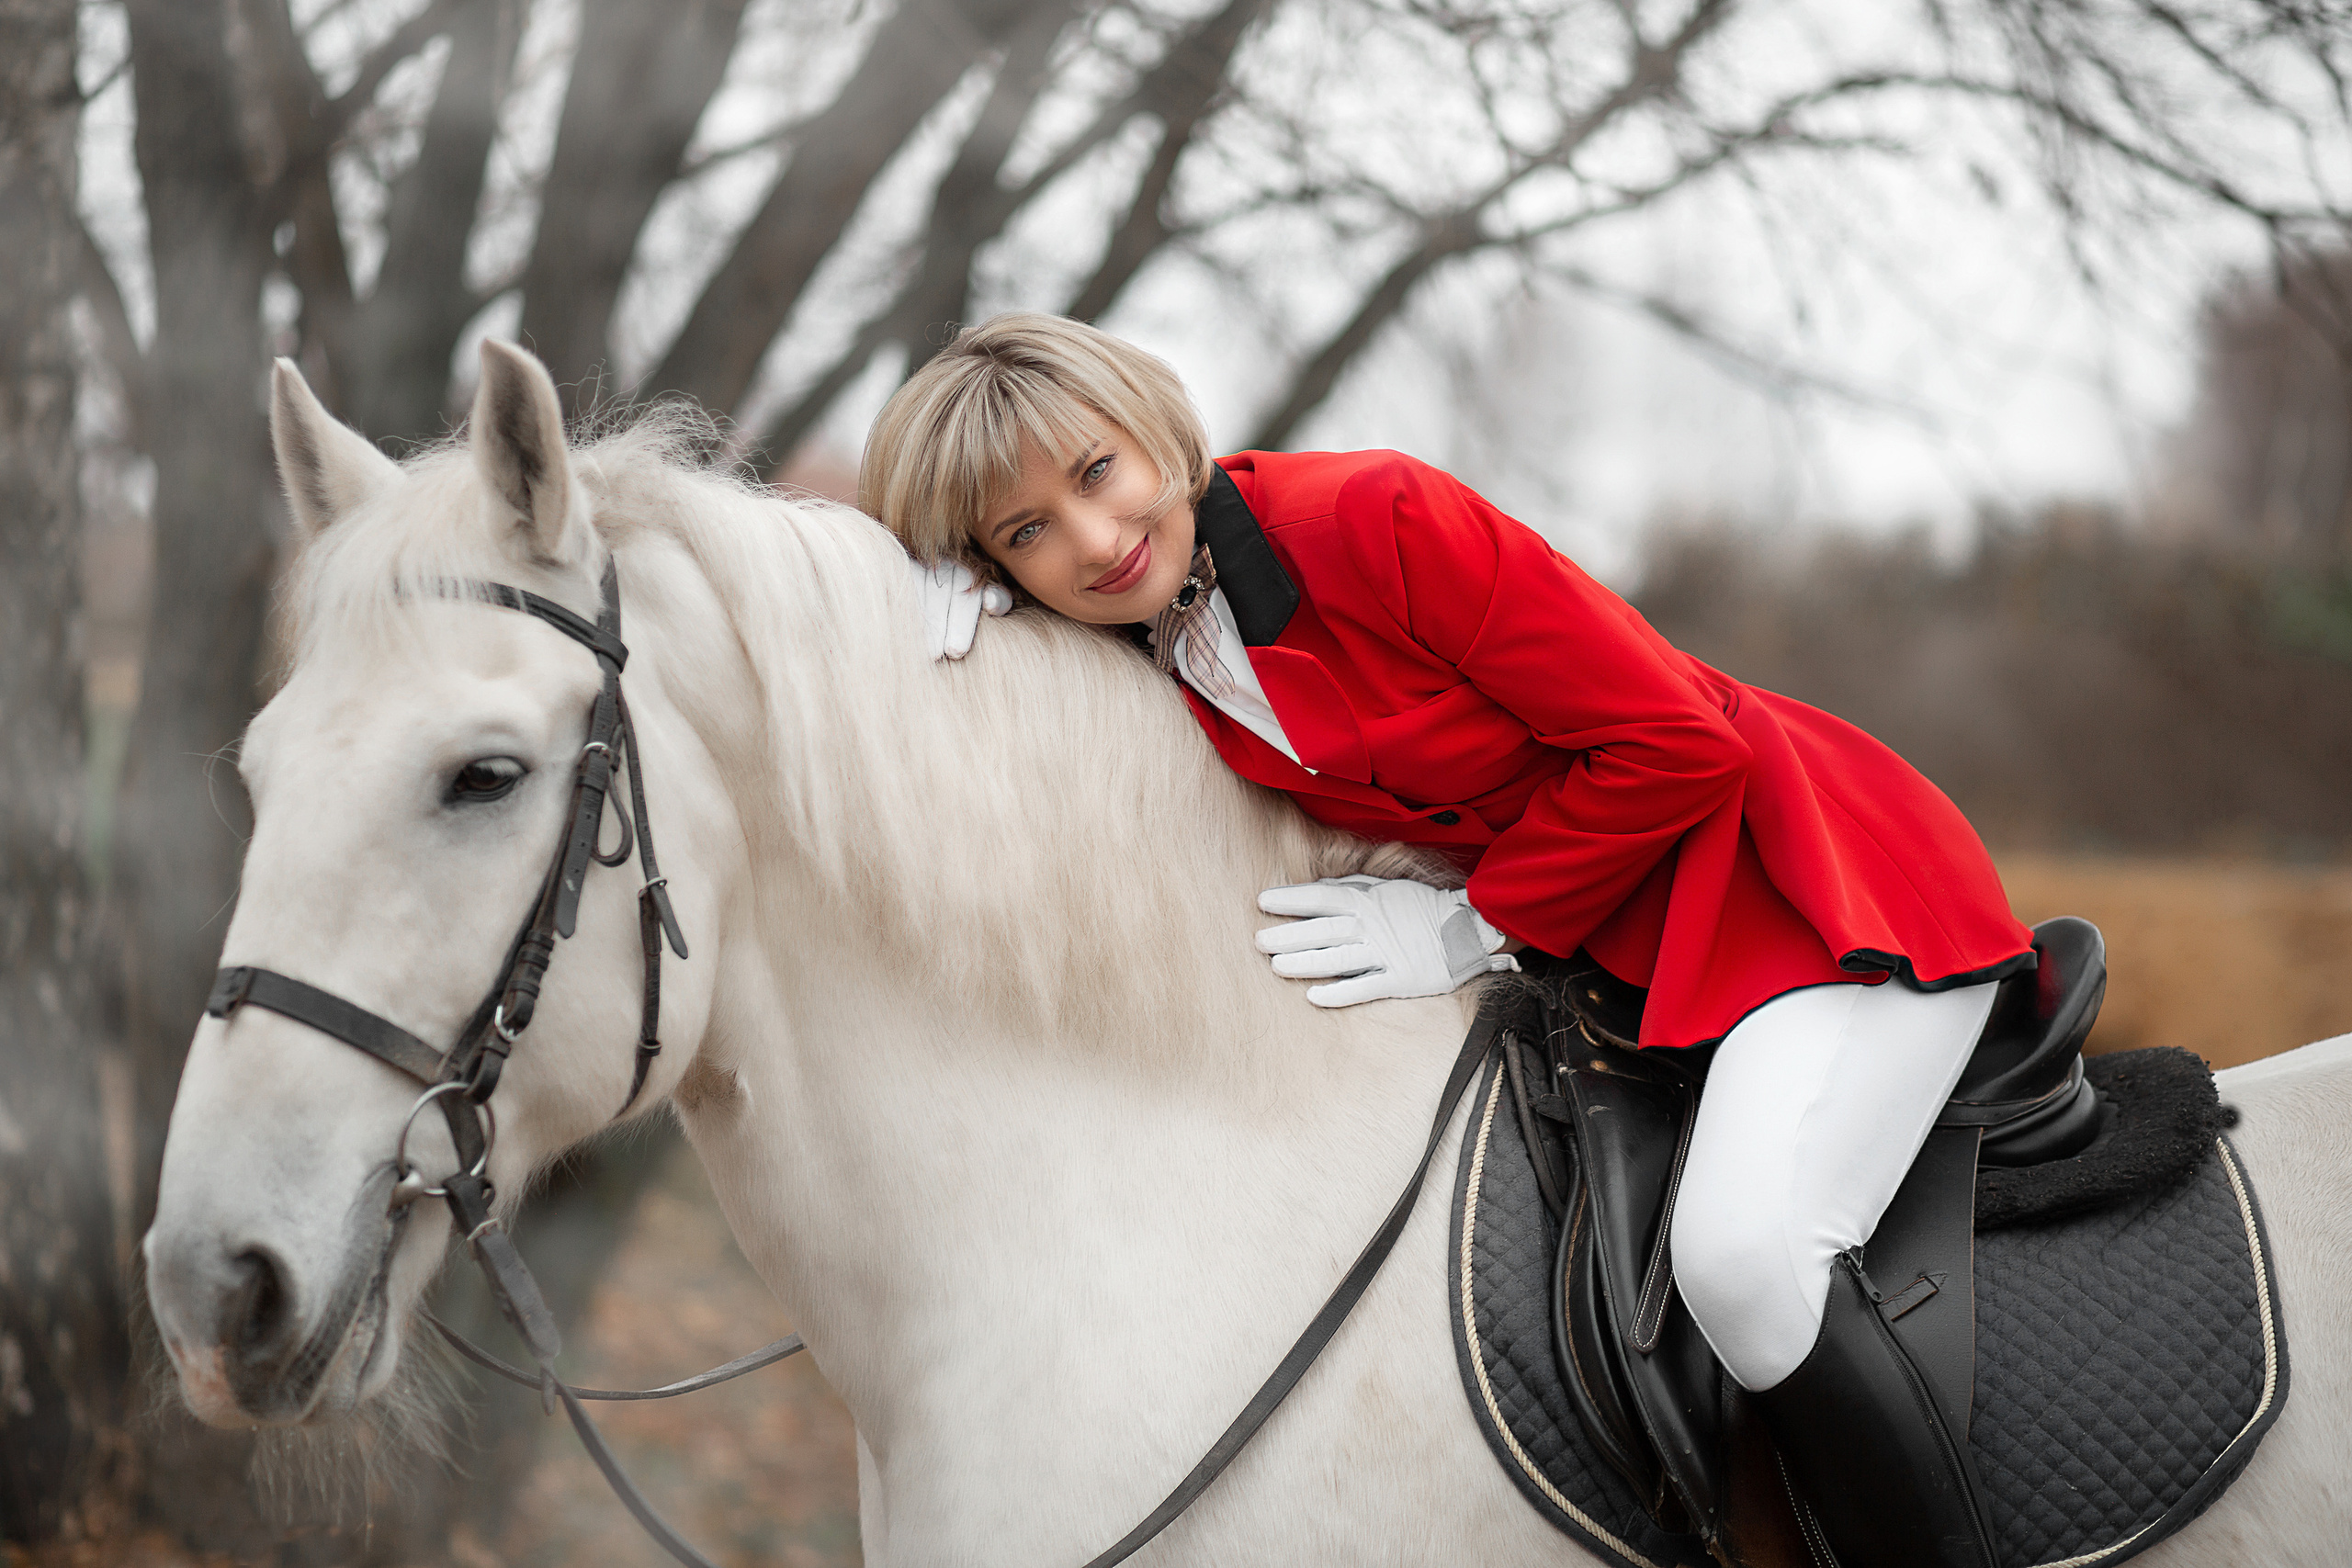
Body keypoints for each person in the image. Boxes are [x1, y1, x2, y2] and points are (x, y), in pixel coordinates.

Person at [864, 312, 2031, 1568]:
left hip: (1808, 898)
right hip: (1618, 966)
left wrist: (1476, 924)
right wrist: (964, 618)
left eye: (1097, 472)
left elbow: (1678, 743)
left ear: (1156, 427)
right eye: (1025, 533)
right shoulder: (1143, 624)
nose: (1094, 541)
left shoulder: (1377, 519)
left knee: (1743, 1263)